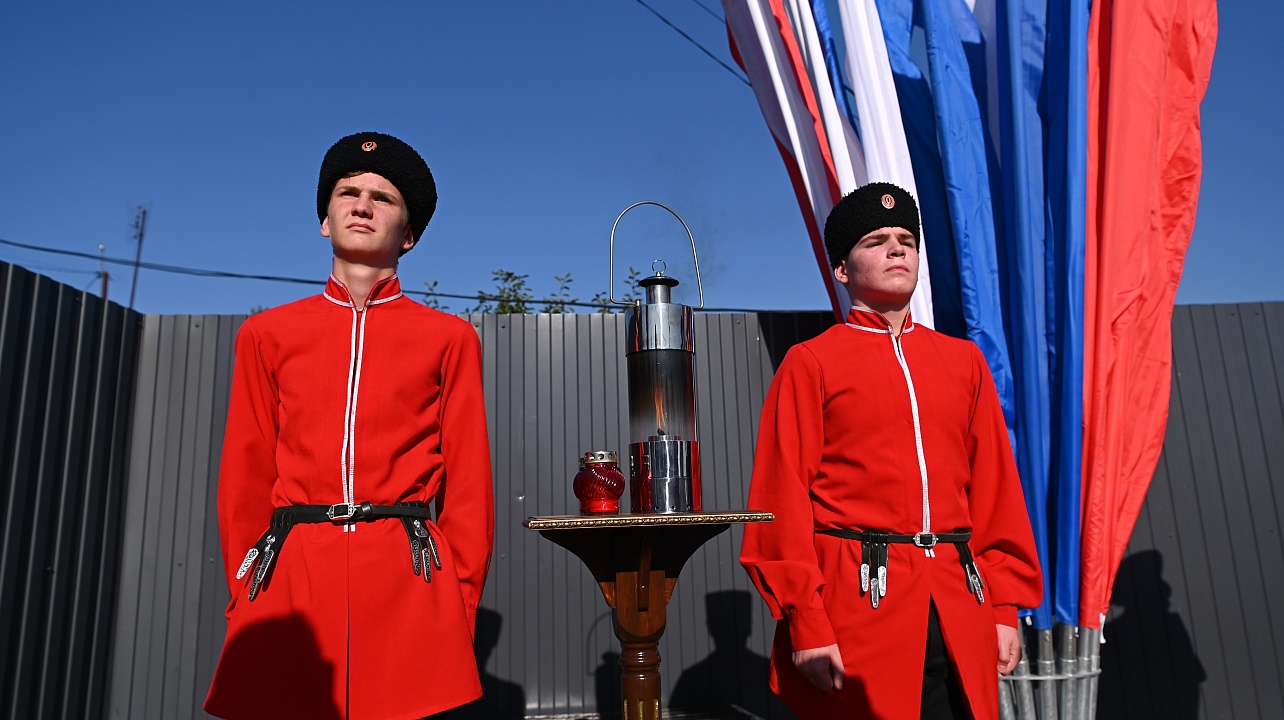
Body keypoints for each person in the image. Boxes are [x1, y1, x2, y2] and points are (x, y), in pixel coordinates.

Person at [205, 132, 495, 720]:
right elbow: (244, 475)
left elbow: (469, 488)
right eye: (347, 192)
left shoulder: (450, 339)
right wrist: (246, 591)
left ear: (408, 235)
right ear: (325, 220)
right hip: (290, 588)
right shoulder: (265, 335)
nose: (362, 205)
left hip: (410, 586)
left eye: (382, 198)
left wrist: (458, 603)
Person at [740, 182, 1043, 719]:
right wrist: (806, 621)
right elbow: (780, 500)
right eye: (875, 241)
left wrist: (1003, 605)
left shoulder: (964, 362)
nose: (897, 249)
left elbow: (996, 491)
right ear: (841, 268)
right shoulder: (810, 363)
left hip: (960, 604)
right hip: (858, 611)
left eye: (906, 240)